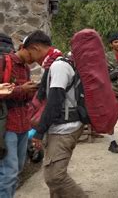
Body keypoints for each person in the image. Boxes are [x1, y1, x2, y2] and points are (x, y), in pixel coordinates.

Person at [26, 30, 87, 197]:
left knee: (55, 178)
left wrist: (39, 133)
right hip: (60, 126)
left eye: (30, 52)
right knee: (54, 181)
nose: (30, 58)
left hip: (65, 128)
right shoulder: (54, 64)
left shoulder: (58, 66)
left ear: (36, 48)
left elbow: (54, 103)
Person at [0, 38, 37, 197]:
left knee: (17, 169)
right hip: (7, 124)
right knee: (9, 171)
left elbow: (24, 98)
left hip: (23, 125)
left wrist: (31, 92)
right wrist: (21, 89)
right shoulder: (4, 63)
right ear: (22, 47)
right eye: (31, 54)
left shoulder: (26, 69)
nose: (33, 59)